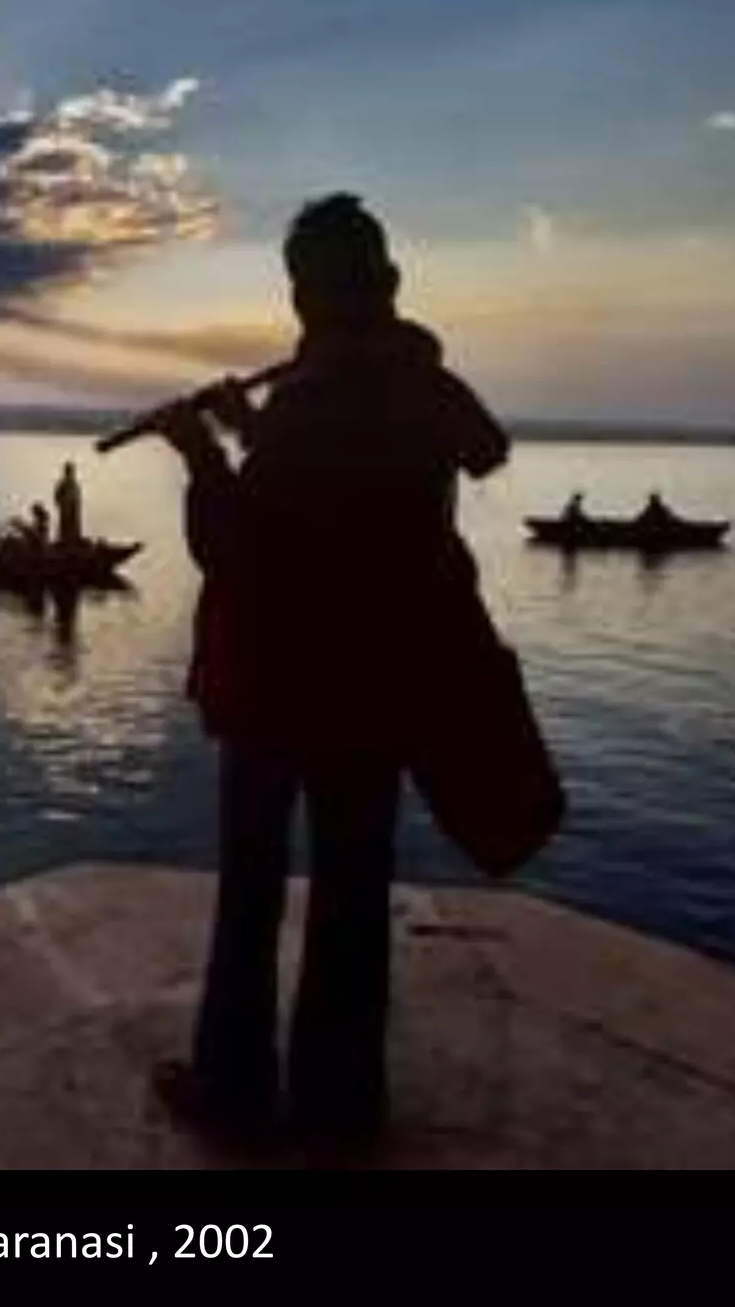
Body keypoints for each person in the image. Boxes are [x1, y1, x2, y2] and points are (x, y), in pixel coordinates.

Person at [151, 192, 510, 1159]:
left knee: (254, 888)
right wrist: (261, 427)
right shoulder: (419, 382)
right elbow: (483, 448)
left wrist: (201, 452)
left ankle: (232, 1089)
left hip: (280, 685)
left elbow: (235, 546)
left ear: (307, 294)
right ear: (387, 282)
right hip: (382, 684)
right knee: (355, 890)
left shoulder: (310, 402)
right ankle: (340, 1103)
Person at [55, 462, 85, 546]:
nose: (71, 472)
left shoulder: (75, 484)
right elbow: (57, 496)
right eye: (69, 470)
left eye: (71, 470)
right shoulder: (63, 484)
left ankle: (75, 540)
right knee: (66, 524)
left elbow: (78, 497)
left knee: (75, 523)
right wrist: (62, 504)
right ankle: (65, 541)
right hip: (66, 508)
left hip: (74, 507)